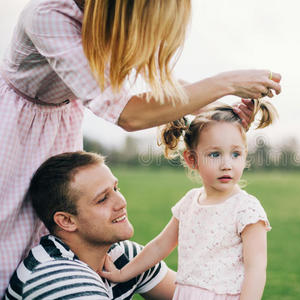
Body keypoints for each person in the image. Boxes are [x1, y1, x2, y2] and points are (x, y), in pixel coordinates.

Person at [0, 0, 282, 294]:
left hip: (57, 126)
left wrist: (214, 109)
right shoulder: (50, 17)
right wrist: (228, 81)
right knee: (10, 246)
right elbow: (128, 112)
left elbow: (150, 87)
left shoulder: (106, 27)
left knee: (64, 233)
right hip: (13, 133)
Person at [100, 100, 277, 299]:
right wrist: (123, 273)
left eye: (235, 154)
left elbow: (256, 269)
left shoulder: (246, 208)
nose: (227, 164)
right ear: (192, 159)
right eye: (215, 154)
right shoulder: (190, 201)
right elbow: (160, 246)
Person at [4, 151, 177, 300]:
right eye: (102, 199)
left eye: (116, 189)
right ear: (67, 221)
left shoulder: (122, 257)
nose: (121, 202)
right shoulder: (59, 277)